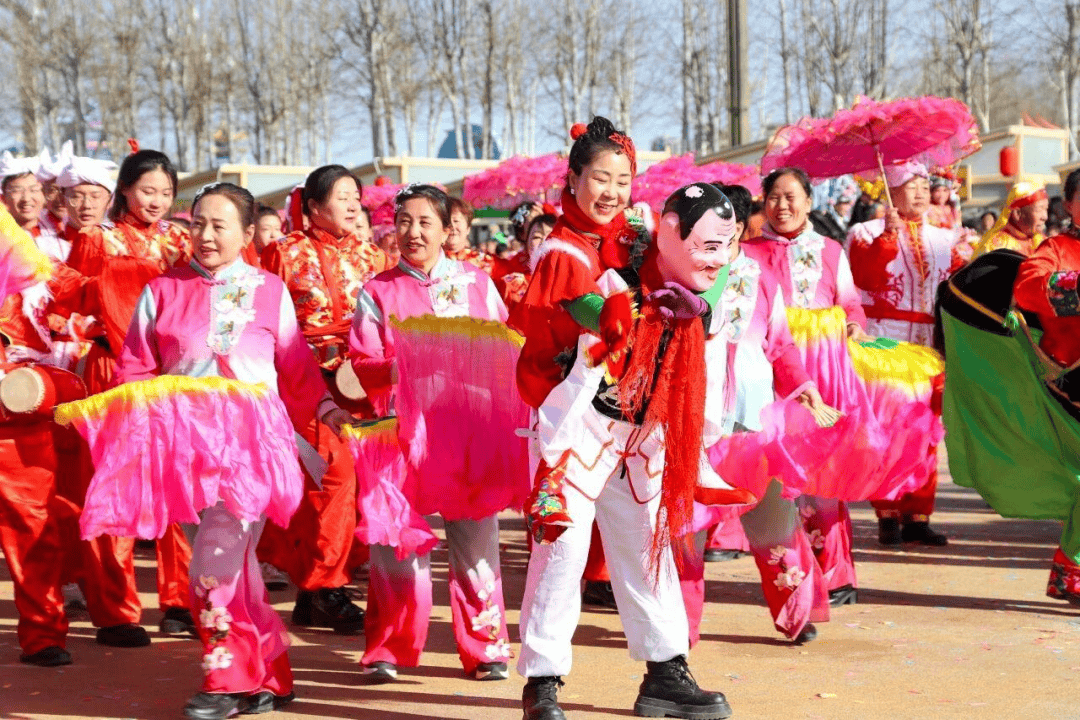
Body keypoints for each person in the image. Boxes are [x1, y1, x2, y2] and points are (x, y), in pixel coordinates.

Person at [515, 119, 734, 720]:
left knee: (647, 546)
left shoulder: (636, 235)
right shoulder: (559, 249)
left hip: (636, 423)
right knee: (560, 548)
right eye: (599, 178)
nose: (610, 190)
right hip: (575, 420)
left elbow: (692, 283)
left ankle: (665, 670)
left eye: (622, 179)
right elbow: (595, 316)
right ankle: (542, 681)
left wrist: (698, 293)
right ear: (573, 180)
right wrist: (635, 307)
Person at [116, 182, 354, 719]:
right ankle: (271, 669)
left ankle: (226, 679)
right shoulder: (161, 291)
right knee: (235, 564)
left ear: (248, 234)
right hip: (186, 450)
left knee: (214, 562)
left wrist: (326, 410)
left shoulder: (270, 290)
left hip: (252, 448)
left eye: (219, 225)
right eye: (198, 222)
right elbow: (135, 368)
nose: (204, 235)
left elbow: (294, 370)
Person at [348, 184, 513, 682]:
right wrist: (416, 361)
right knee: (398, 540)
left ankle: (486, 648)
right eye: (404, 221)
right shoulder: (376, 291)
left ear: (448, 230)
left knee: (476, 537)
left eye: (425, 222)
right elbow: (364, 362)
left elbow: (503, 348)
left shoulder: (478, 283)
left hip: (468, 425)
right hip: (401, 431)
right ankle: (390, 649)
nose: (413, 232)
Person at [60, 148, 197, 639]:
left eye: (165, 192)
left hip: (172, 374)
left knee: (180, 485)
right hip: (110, 368)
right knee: (113, 484)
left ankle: (182, 599)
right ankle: (116, 610)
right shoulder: (97, 238)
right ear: (124, 190)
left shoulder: (184, 240)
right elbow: (67, 297)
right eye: (147, 191)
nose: (157, 201)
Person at [261, 164, 386, 634]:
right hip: (302, 382)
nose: (354, 204)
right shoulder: (283, 254)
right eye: (342, 196)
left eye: (357, 195)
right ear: (313, 207)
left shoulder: (372, 258)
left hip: (362, 384)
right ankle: (328, 586)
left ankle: (316, 590)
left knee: (357, 487)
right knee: (333, 475)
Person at [847, 160, 963, 546]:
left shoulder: (946, 238)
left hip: (930, 343)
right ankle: (887, 513)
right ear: (889, 190)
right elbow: (864, 280)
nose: (919, 192)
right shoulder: (863, 232)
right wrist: (886, 238)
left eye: (923, 185)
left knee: (925, 432)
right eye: (909, 185)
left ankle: (918, 514)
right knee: (887, 431)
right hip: (886, 342)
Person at [493, 210, 556, 310]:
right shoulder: (512, 284)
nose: (544, 242)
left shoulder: (572, 279)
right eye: (537, 237)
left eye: (551, 236)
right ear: (526, 244)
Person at [972, 181, 1048, 258]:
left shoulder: (1043, 242)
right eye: (1039, 210)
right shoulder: (996, 245)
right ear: (1017, 213)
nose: (1045, 217)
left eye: (1046, 209)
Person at [442, 197, 494, 274]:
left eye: (456, 221)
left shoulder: (483, 260)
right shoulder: (429, 260)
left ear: (468, 228)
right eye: (446, 221)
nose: (451, 226)